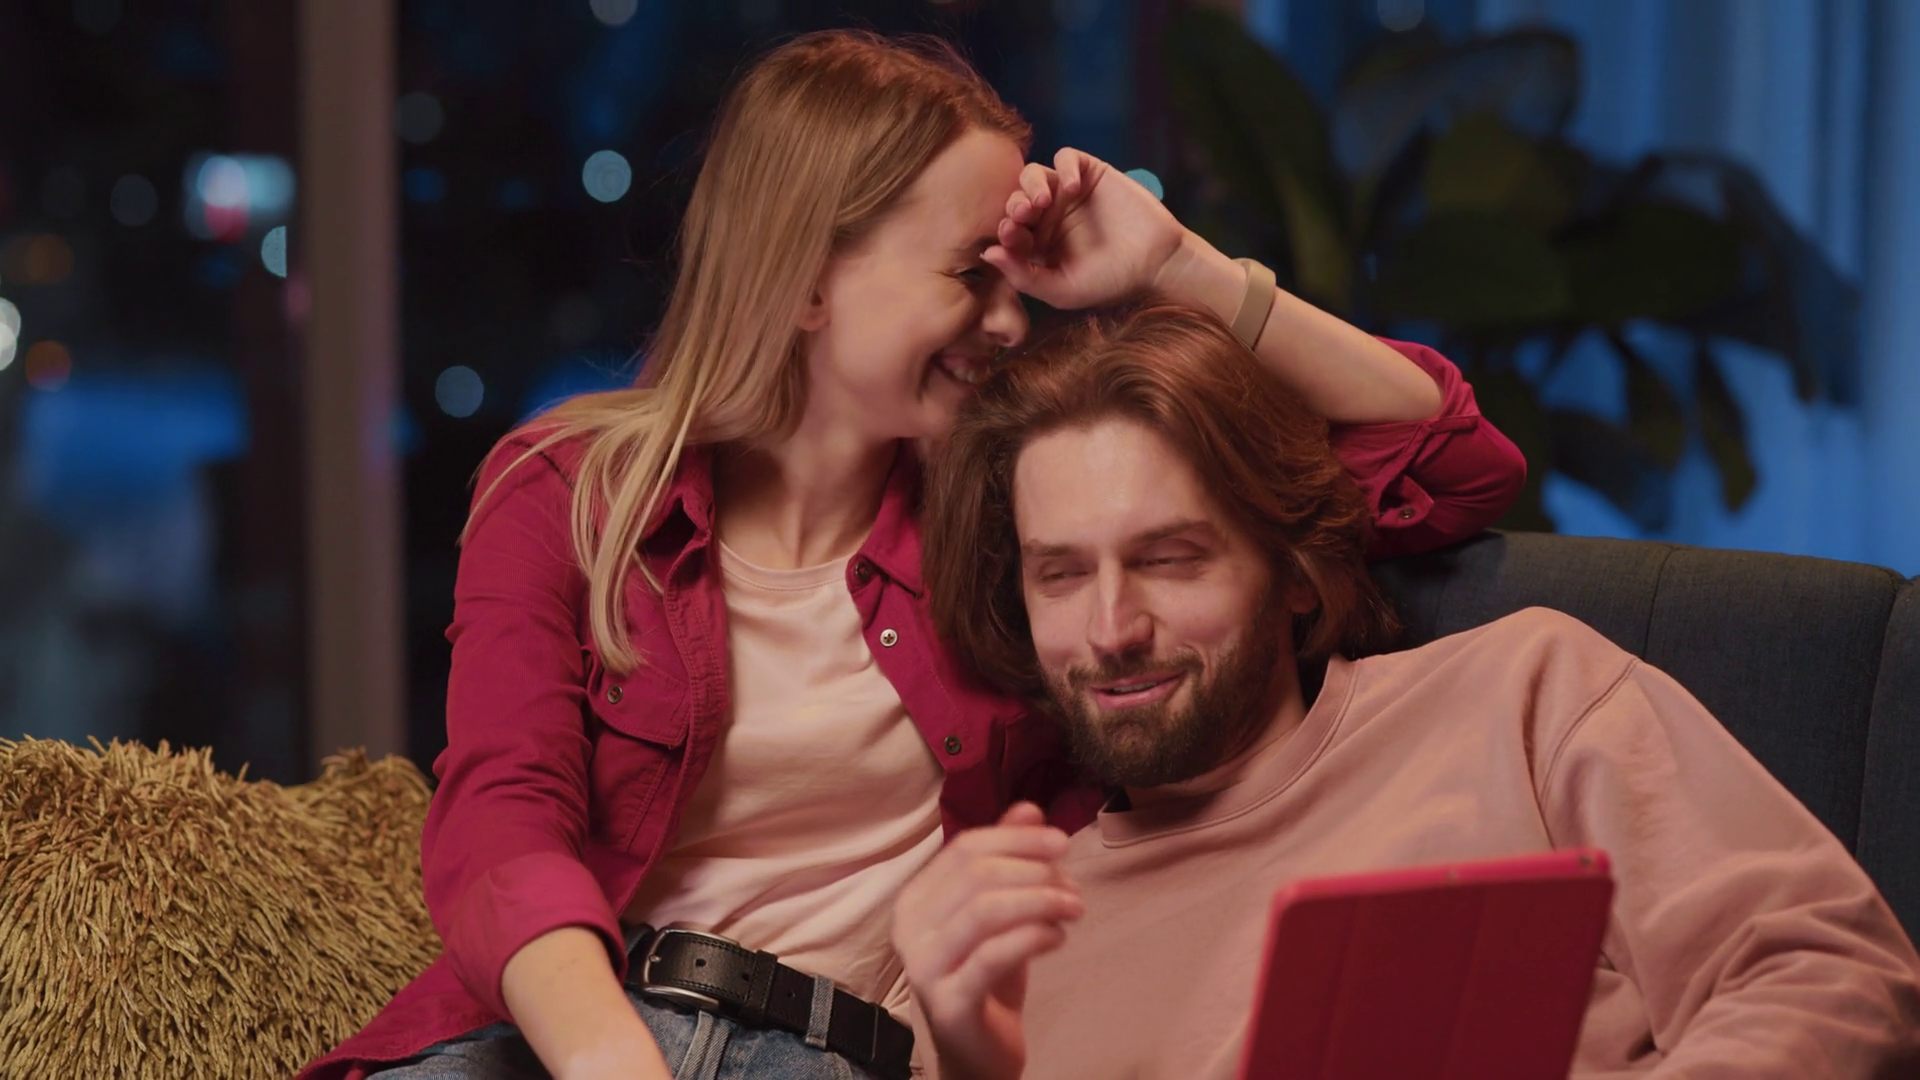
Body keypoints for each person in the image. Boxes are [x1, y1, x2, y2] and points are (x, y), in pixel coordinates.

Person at [302, 30, 1527, 1080]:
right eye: (968, 275)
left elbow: (1448, 466)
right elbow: (502, 819)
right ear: (806, 281)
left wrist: (1177, 267)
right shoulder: (569, 492)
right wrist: (614, 1064)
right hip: (561, 1044)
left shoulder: (1005, 511)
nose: (1010, 318)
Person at [894, 302, 1920, 1080]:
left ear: (1296, 571)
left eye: (1170, 560)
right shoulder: (995, 957)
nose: (1112, 629)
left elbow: (1831, 975)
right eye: (1061, 575)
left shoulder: (1521, 696)